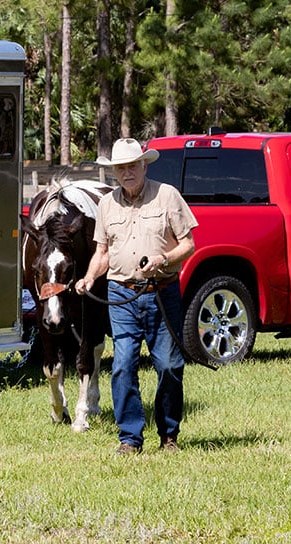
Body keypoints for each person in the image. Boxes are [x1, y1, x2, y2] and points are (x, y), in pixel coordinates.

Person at [75, 137, 197, 455]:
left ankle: (169, 435)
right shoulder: (106, 205)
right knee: (123, 364)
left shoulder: (167, 195)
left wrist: (163, 259)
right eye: (121, 168)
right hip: (121, 295)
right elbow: (103, 252)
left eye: (132, 166)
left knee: (168, 365)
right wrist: (89, 277)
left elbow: (188, 244)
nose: (127, 172)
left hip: (162, 293)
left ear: (144, 165)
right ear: (114, 171)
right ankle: (129, 438)